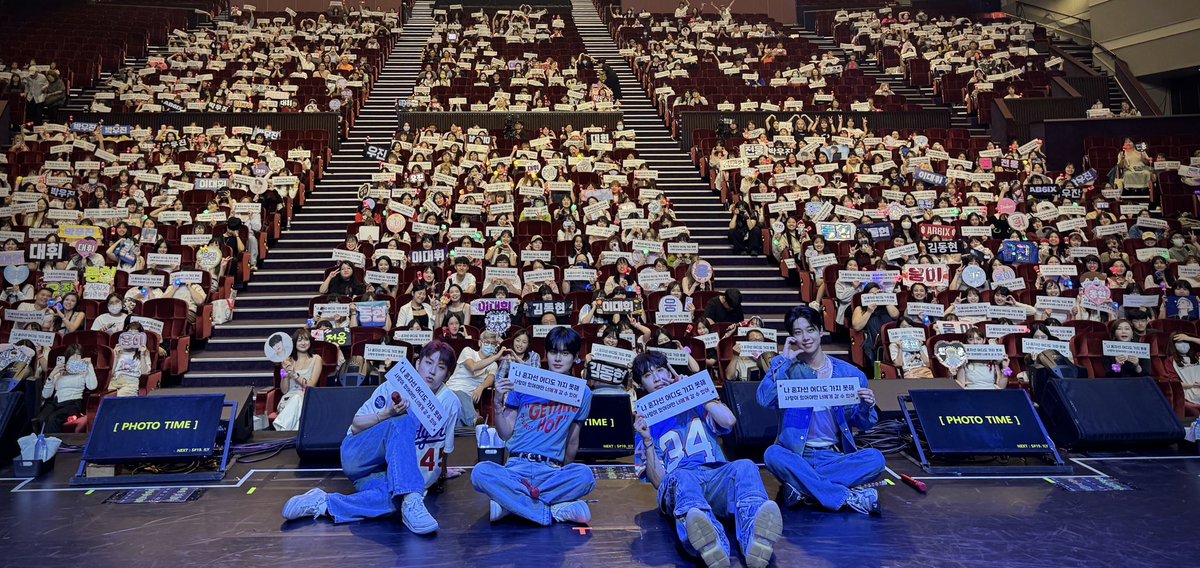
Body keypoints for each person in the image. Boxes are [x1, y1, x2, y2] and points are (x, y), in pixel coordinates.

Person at [282, 341, 462, 533]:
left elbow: (443, 446)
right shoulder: (395, 385)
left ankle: (323, 503)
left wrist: (441, 471)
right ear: (418, 363)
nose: (432, 371)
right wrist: (388, 413)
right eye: (428, 362)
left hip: (388, 472)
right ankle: (412, 498)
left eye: (440, 367)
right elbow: (356, 425)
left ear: (448, 375)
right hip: (359, 456)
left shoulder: (451, 402)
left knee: (394, 500)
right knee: (402, 421)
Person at [632, 351, 781, 568]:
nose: (657, 378)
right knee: (682, 477)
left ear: (670, 372)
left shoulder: (698, 401)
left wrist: (695, 391)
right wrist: (647, 440)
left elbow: (729, 421)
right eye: (648, 375)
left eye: (660, 370)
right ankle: (709, 542)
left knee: (745, 465)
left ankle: (754, 536)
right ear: (640, 384)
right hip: (681, 486)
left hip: (715, 476)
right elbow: (659, 481)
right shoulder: (645, 424)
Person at [758, 306, 884, 515]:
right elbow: (764, 400)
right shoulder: (788, 370)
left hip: (833, 456)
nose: (806, 337)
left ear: (821, 331)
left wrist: (867, 405)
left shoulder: (850, 373)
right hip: (798, 456)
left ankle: (802, 487)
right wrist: (782, 362)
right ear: (792, 338)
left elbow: (865, 424)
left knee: (876, 459)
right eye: (798, 332)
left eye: (810, 330)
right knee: (772, 454)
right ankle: (847, 497)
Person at [470, 326, 594, 526]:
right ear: (546, 353)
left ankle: (511, 504)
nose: (558, 358)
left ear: (575, 357)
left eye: (565, 353)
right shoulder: (525, 381)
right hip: (516, 468)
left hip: (550, 470)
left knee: (585, 476)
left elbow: (572, 441)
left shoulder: (583, 392)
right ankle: (551, 510)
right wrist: (498, 404)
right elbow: (505, 433)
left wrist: (562, 475)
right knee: (480, 472)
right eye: (553, 352)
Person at [444, 330, 506, 427]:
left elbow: (491, 378)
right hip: (451, 390)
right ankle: (474, 421)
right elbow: (473, 367)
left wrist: (481, 387)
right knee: (459, 396)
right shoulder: (468, 351)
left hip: (470, 397)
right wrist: (496, 357)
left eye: (493, 344)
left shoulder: (493, 365)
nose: (490, 346)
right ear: (480, 343)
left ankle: (471, 427)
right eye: (487, 342)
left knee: (458, 415)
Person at [36, 345, 97, 433]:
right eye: (72, 354)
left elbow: (92, 386)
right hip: (55, 402)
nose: (75, 357)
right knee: (41, 418)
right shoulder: (60, 371)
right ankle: (40, 440)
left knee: (53, 419)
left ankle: (53, 441)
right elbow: (46, 395)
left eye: (78, 355)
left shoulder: (84, 372)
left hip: (72, 403)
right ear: (68, 357)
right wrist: (52, 375)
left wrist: (89, 365)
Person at [274, 329, 324, 431]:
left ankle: (282, 430)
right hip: (289, 399)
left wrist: (294, 374)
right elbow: (284, 390)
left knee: (299, 399)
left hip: (307, 398)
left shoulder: (316, 359)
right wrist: (285, 372)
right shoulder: (287, 361)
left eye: (306, 339)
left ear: (310, 341)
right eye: (300, 340)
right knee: (297, 402)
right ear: (294, 343)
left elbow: (311, 386)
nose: (303, 343)